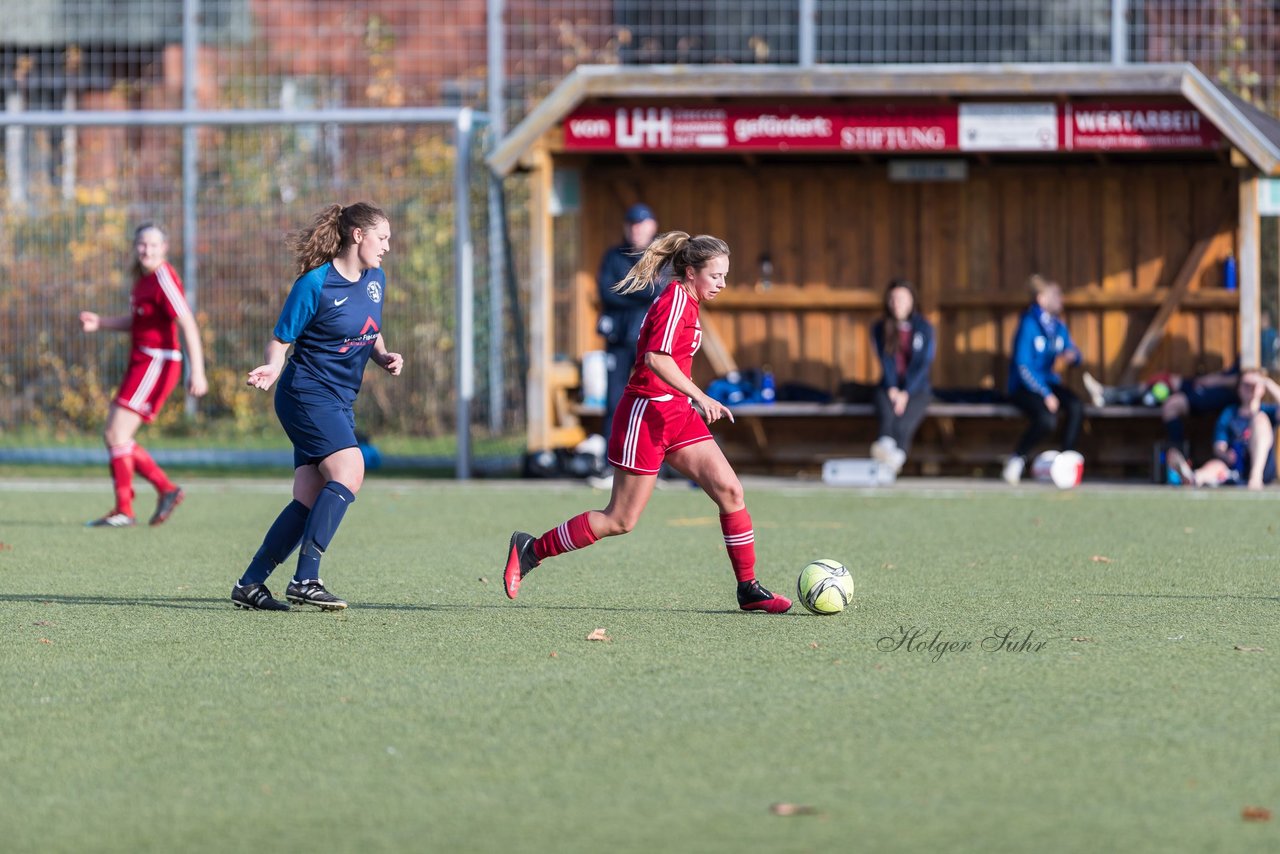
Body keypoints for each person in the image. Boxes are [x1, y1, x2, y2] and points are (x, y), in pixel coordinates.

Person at [503, 232, 791, 614]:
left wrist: (691, 399)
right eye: (715, 276)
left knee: (730, 491)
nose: (722, 284)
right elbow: (656, 358)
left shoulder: (689, 300)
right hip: (646, 414)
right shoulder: (674, 301)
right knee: (620, 519)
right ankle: (531, 549)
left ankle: (749, 588)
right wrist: (701, 396)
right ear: (690, 272)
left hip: (676, 414)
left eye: (725, 275)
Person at [232, 202, 403, 611]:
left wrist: (382, 355)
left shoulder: (375, 278)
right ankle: (306, 578)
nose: (388, 247)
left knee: (309, 496)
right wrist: (273, 368)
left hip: (339, 400)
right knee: (350, 469)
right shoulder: (315, 284)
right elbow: (281, 337)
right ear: (357, 235)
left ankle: (250, 584)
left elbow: (369, 327)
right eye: (383, 238)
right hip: (305, 393)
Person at [79, 223, 207, 528]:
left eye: (152, 245)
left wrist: (198, 371)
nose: (146, 250)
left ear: (164, 248)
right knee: (115, 435)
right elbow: (138, 323)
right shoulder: (143, 281)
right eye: (141, 245)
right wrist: (101, 323)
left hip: (157, 363)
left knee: (117, 435)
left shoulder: (163, 277)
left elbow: (187, 323)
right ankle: (163, 491)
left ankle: (129, 508)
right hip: (142, 362)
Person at [588, 203, 660, 490]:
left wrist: (629, 289)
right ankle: (611, 464)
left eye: (642, 224)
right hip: (618, 339)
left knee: (656, 399)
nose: (636, 229)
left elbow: (660, 290)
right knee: (615, 402)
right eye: (632, 224)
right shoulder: (613, 257)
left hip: (651, 342)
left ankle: (658, 466)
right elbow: (607, 292)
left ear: (653, 226)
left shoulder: (661, 258)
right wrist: (641, 290)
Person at [1003, 274, 1084, 484]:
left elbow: (1072, 349)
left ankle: (1066, 460)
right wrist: (1045, 393)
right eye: (1055, 295)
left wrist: (1073, 356)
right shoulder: (1028, 324)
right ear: (1041, 298)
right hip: (1024, 388)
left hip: (1049, 383)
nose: (1060, 300)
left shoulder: (1057, 326)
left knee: (1076, 406)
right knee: (1046, 420)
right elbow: (1023, 366)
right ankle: (1017, 458)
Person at [1166, 369, 1279, 491]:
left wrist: (1266, 382)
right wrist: (1225, 454)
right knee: (1216, 465)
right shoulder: (1229, 413)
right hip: (1234, 468)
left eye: (1254, 385)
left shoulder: (1268, 411)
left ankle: (1255, 477)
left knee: (1260, 419)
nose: (1250, 388)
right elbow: (1219, 445)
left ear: (1262, 389)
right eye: (1245, 384)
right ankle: (1193, 478)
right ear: (1239, 388)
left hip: (1262, 470)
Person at [870, 279, 935, 474]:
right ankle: (885, 447)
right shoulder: (880, 328)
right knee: (887, 412)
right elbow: (886, 361)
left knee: (905, 420)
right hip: (889, 387)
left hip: (917, 389)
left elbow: (922, 364)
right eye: (892, 299)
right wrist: (892, 388)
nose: (896, 303)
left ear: (911, 301)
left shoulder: (924, 328)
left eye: (901, 298)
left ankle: (897, 457)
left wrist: (906, 392)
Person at [1158, 362, 1240, 453]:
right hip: (1216, 384)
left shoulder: (1255, 352)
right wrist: (1208, 379)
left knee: (1171, 405)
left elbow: (1241, 379)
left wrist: (1215, 381)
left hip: (1227, 392)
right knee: (1173, 381)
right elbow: (1229, 373)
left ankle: (1178, 456)